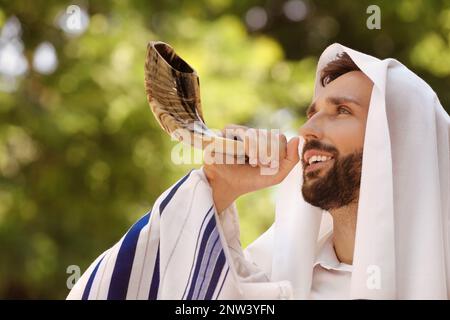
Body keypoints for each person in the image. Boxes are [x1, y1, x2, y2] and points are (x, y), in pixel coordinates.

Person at [67, 43, 450, 300]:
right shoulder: (272, 283)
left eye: (342, 111)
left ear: (398, 139)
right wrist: (218, 187)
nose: (308, 130)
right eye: (312, 113)